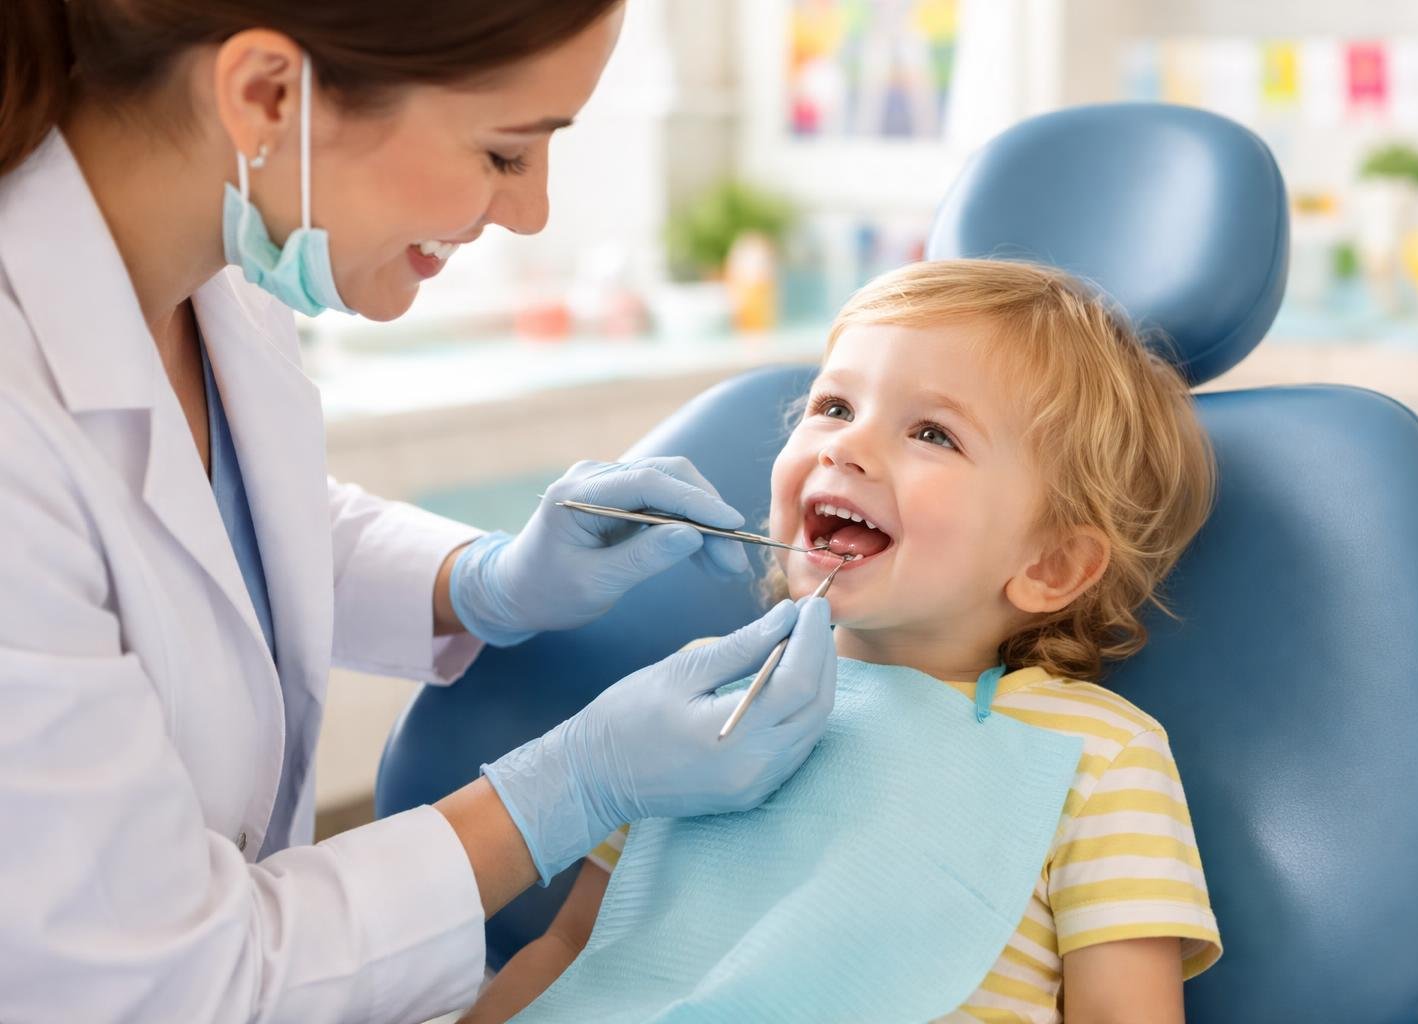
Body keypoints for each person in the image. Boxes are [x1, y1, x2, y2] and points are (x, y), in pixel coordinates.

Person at [0, 3, 837, 1021]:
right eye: (503, 150)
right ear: (267, 95)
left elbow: (230, 523)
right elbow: (159, 979)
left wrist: (482, 581)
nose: (531, 215)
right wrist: (565, 790)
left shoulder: (221, 272)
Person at [466, 260, 1224, 1023]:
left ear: (1050, 565)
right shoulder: (693, 702)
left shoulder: (1100, 756)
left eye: (933, 433)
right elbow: (572, 953)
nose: (846, 447)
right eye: (833, 406)